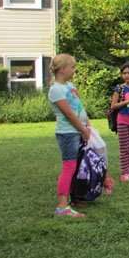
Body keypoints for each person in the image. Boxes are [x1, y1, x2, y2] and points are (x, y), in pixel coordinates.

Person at [47, 54, 91, 218]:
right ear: (63, 69)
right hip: (68, 133)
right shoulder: (56, 89)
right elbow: (69, 114)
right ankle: (62, 206)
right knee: (68, 168)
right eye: (72, 67)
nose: (74, 71)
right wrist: (83, 130)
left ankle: (73, 198)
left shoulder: (69, 85)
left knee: (76, 166)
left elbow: (78, 106)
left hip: (77, 131)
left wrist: (87, 122)